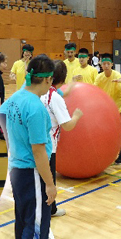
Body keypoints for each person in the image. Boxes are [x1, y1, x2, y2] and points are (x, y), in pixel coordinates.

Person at [0, 54, 57, 239]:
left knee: (23, 219)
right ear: (49, 79)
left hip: (16, 169)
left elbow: (1, 119)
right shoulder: (36, 107)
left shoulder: (16, 97)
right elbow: (38, 151)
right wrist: (49, 184)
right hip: (32, 173)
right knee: (36, 225)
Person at [40, 60, 83, 217]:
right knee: (49, 181)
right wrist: (77, 116)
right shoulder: (55, 98)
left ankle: (47, 209)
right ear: (62, 78)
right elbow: (67, 125)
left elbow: (63, 92)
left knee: (41, 179)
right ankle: (49, 211)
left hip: (36, 143)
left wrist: (72, 83)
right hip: (48, 146)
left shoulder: (42, 92)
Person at [95, 54, 121, 164]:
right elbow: (95, 91)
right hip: (108, 110)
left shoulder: (116, 75)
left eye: (108, 64)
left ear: (111, 64)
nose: (106, 66)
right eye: (104, 63)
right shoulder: (99, 77)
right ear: (101, 65)